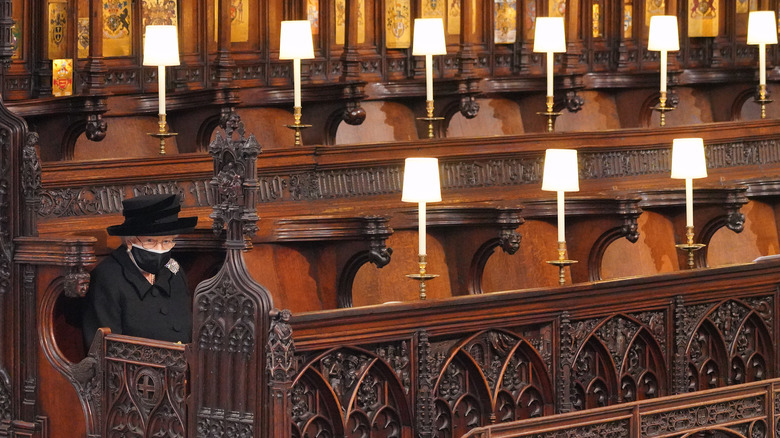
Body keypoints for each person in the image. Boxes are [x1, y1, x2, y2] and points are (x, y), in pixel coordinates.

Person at [82, 194, 197, 347]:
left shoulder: (173, 270)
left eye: (167, 241)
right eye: (150, 241)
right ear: (130, 241)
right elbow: (105, 348)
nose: (160, 249)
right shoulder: (108, 277)